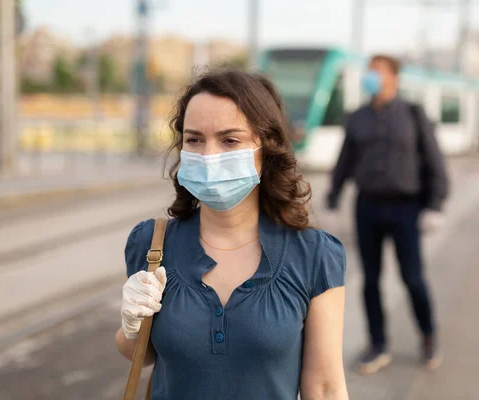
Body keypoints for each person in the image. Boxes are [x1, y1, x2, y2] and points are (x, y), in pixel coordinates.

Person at [115, 70, 349, 400]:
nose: (209, 156)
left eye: (230, 140)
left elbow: (325, 388)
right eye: (194, 139)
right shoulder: (151, 242)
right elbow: (142, 353)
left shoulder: (313, 254)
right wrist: (130, 325)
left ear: (266, 148)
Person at [326, 54, 449, 375]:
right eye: (369, 71)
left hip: (407, 208)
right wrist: (331, 200)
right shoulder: (357, 118)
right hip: (367, 206)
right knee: (369, 280)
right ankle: (377, 344)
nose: (371, 77)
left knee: (412, 277)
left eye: (377, 71)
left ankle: (428, 335)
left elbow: (435, 162)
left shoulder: (413, 114)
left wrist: (434, 206)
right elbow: (344, 162)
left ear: (393, 77)